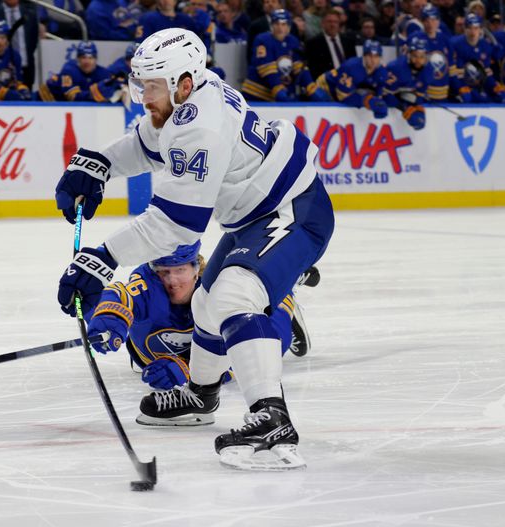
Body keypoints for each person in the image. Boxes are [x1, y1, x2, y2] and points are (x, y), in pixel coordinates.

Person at [54, 28, 334, 470]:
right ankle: (200, 396)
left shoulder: (199, 126)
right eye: (140, 83)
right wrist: (99, 162)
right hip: (254, 214)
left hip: (293, 211)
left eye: (152, 85)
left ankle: (271, 416)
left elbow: (176, 224)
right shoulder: (188, 101)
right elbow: (149, 144)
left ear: (184, 83)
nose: (143, 95)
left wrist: (101, 258)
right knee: (205, 304)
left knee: (233, 296)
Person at [87, 241, 320, 391]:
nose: (172, 281)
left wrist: (188, 371)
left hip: (222, 338)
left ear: (196, 269)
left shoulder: (218, 291)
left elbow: (236, 359)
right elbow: (118, 294)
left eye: (180, 271)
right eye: (164, 272)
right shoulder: (148, 287)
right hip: (159, 354)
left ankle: (286, 289)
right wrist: (109, 318)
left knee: (269, 346)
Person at [242, 9, 329, 102]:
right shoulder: (262, 40)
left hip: (279, 93)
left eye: (283, 24)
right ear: (271, 26)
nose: (280, 28)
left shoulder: (293, 41)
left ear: (289, 27)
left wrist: (311, 87)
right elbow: (267, 69)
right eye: (277, 24)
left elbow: (299, 67)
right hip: (256, 94)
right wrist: (278, 89)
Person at [316, 39, 389, 118]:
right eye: (370, 55)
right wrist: (369, 101)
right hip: (325, 88)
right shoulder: (351, 67)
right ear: (364, 56)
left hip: (349, 90)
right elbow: (344, 97)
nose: (373, 60)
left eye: (376, 56)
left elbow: (380, 94)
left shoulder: (382, 72)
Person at [450, 13, 505, 103]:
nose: (473, 32)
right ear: (465, 29)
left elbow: (486, 73)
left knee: (502, 96)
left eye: (476, 28)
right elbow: (452, 73)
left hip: (479, 85)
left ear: (481, 30)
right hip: (461, 83)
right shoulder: (455, 44)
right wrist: (459, 87)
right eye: (470, 28)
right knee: (467, 97)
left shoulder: (486, 46)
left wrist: (495, 87)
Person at [39, 41, 122, 102]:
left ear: (96, 59)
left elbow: (117, 87)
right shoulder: (69, 70)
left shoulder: (102, 72)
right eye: (83, 57)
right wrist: (92, 94)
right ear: (78, 59)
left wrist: (121, 90)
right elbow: (72, 97)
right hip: (45, 100)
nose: (87, 61)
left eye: (91, 58)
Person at [383, 33, 429, 130]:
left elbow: (419, 95)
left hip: (403, 97)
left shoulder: (427, 70)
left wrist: (418, 107)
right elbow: (384, 94)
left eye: (422, 57)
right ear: (408, 55)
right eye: (415, 56)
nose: (418, 60)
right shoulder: (395, 68)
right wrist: (404, 108)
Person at [411, 3, 453, 102]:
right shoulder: (415, 39)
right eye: (427, 20)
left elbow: (451, 67)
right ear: (422, 21)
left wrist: (459, 88)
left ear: (438, 21)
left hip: (442, 93)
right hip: (421, 93)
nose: (430, 24)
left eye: (433, 20)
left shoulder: (445, 40)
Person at [304, 7, 357, 79]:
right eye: (329, 21)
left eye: (335, 22)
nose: (332, 25)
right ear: (322, 23)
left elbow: (354, 63)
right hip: (326, 82)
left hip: (348, 81)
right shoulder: (313, 44)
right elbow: (313, 69)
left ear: (339, 24)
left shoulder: (349, 42)